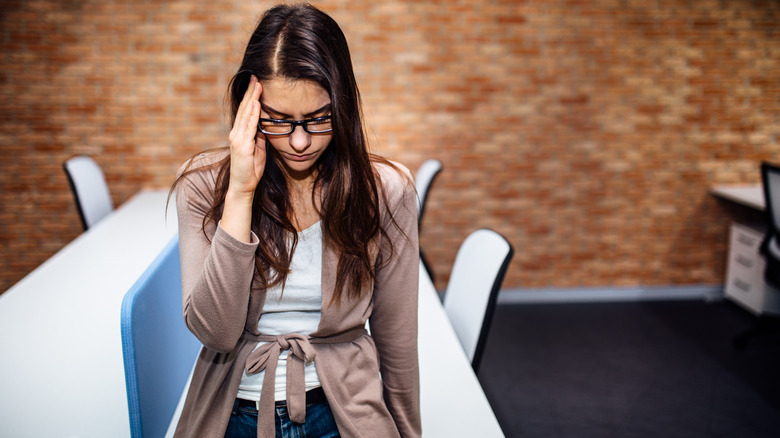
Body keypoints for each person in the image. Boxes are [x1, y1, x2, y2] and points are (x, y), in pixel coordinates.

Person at [170, 3, 421, 438]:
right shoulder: (203, 184)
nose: (301, 141)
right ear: (249, 110)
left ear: (342, 104)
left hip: (343, 410)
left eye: (318, 118)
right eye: (279, 121)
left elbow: (397, 340)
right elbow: (216, 331)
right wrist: (241, 193)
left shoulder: (386, 189)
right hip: (234, 411)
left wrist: (408, 433)